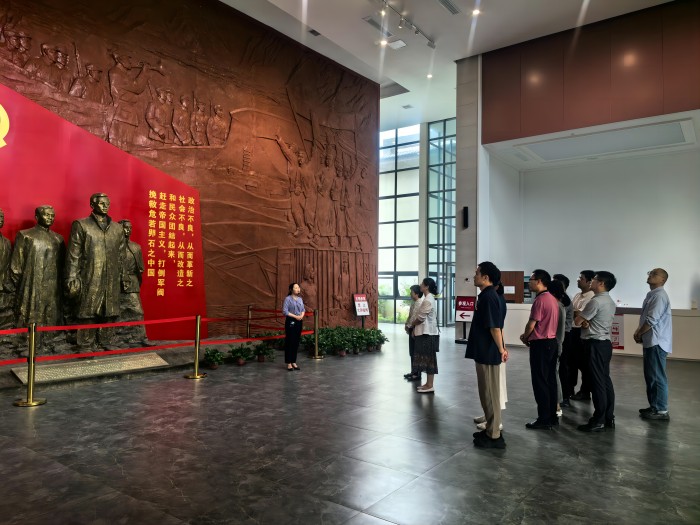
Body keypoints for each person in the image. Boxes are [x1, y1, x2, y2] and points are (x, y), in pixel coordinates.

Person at [65, 193, 125, 350]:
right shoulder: (81, 225)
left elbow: (121, 255)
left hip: (111, 276)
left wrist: (122, 277)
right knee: (88, 311)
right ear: (92, 205)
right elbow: (73, 255)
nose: (105, 206)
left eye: (107, 203)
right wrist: (71, 278)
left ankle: (106, 341)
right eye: (101, 203)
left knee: (110, 310)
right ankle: (85, 343)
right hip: (90, 275)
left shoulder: (117, 228)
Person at [5, 206, 65, 350]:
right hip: (31, 283)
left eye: (52, 215)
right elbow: (16, 264)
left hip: (53, 285)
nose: (50, 218)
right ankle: (28, 344)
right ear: (37, 217)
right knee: (30, 313)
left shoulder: (58, 239)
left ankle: (50, 341)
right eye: (46, 215)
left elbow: (63, 264)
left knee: (51, 312)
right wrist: (16, 286)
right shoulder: (25, 235)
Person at [466, 262, 508, 449]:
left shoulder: (489, 297)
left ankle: (494, 435)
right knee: (487, 393)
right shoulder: (487, 296)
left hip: (488, 352)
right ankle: (491, 429)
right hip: (484, 351)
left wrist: (501, 349)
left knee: (490, 394)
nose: (474, 276)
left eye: (477, 273)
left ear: (486, 277)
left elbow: (495, 327)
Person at [575, 271, 617, 432]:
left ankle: (599, 420)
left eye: (594, 279)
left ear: (601, 283)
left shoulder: (596, 301)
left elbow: (578, 321)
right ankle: (608, 417)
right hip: (604, 344)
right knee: (605, 381)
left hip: (595, 345)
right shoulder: (609, 301)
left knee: (597, 383)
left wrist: (581, 317)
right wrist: (585, 321)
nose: (591, 281)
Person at [520, 269, 559, 430]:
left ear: (539, 281)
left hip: (541, 345)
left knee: (540, 382)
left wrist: (525, 337)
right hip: (551, 343)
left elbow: (531, 324)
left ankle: (543, 418)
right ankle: (552, 416)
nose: (529, 283)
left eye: (531, 280)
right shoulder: (552, 299)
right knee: (550, 380)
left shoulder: (540, 300)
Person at [634, 268, 672, 421]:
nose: (650, 275)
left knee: (656, 377)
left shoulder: (659, 296)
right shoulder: (653, 294)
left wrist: (639, 333)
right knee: (651, 376)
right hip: (652, 341)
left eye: (655, 274)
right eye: (650, 273)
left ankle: (661, 410)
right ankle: (654, 406)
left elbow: (651, 320)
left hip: (657, 341)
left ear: (663, 280)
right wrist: (640, 332)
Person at [117, 220, 153, 347]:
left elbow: (140, 268)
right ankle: (119, 339)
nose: (128, 230)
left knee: (137, 311)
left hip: (133, 283)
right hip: (117, 283)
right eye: (125, 228)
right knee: (118, 313)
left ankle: (141, 337)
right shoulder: (114, 247)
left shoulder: (136, 247)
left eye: (130, 228)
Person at [410, 277, 439, 393]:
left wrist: (412, 324)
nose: (420, 285)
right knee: (427, 359)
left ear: (426, 286)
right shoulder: (428, 298)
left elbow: (421, 318)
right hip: (425, 333)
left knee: (429, 359)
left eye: (422, 283)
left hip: (426, 334)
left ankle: (430, 385)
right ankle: (428, 384)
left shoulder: (428, 300)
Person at [570, 270, 595, 401]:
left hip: (582, 332)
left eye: (581, 278)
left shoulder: (591, 297)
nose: (578, 280)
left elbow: (579, 314)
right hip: (573, 331)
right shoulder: (577, 295)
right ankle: (571, 389)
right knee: (572, 362)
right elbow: (572, 311)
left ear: (589, 282)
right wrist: (575, 312)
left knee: (584, 364)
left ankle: (585, 391)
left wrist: (575, 312)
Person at [548, 279, 570, 418]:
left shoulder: (556, 306)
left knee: (553, 375)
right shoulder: (558, 305)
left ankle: (556, 405)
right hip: (556, 344)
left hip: (554, 344)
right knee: (552, 374)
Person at [553, 273, 574, 407]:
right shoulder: (560, 299)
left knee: (562, 367)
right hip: (561, 335)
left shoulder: (564, 300)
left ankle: (565, 396)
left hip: (564, 335)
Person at [282, 282, 305, 371]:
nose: (298, 289)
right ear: (291, 290)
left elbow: (303, 309)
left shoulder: (300, 299)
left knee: (296, 342)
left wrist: (301, 316)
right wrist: (296, 317)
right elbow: (285, 311)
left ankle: (294, 361)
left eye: (298, 287)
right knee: (290, 341)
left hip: (299, 321)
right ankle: (289, 363)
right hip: (291, 321)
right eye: (295, 288)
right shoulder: (288, 299)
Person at [403, 284, 423, 382]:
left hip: (416, 329)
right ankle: (413, 371)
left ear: (417, 293)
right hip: (412, 328)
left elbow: (416, 318)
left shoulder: (419, 303)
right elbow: (410, 316)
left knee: (416, 352)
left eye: (411, 292)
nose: (410, 294)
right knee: (412, 352)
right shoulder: (414, 303)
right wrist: (406, 325)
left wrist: (411, 327)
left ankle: (417, 374)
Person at [0, 208, 13, 331]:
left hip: (3, 285)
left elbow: (8, 265)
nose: (0, 220)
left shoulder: (7, 243)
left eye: (2, 217)